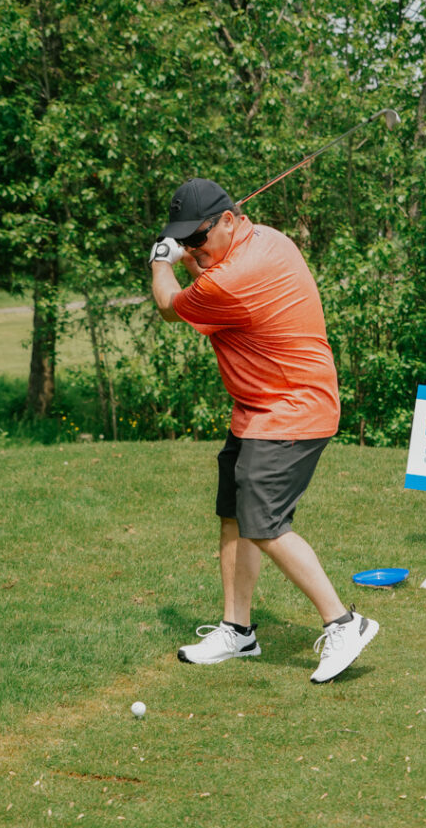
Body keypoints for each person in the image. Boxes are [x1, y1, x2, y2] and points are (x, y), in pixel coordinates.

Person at [149, 177, 378, 683]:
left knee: (263, 522)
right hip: (257, 408)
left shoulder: (233, 279)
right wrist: (193, 254)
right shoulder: (267, 238)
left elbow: (170, 306)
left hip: (293, 408)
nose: (192, 246)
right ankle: (238, 631)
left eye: (197, 237)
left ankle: (345, 623)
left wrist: (162, 260)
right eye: (184, 239)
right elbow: (211, 275)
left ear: (229, 220)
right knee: (234, 515)